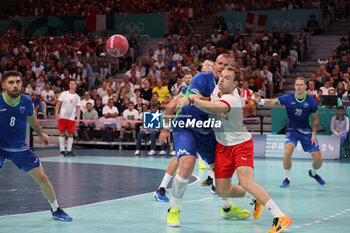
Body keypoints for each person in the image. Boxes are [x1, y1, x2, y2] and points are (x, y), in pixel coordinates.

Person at [178, 66, 293, 233]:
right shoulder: (219, 87)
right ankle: (257, 197)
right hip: (223, 147)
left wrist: (192, 100)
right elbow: (211, 100)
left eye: (227, 78)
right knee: (222, 190)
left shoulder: (232, 99)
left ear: (236, 84)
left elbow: (215, 108)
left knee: (246, 181)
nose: (222, 80)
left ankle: (280, 217)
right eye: (222, 76)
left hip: (241, 145)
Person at [160, 54, 251, 227]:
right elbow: (193, 99)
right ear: (215, 65)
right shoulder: (201, 79)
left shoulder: (229, 88)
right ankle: (173, 210)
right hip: (186, 128)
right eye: (219, 63)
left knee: (221, 171)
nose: (221, 67)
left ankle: (227, 208)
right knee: (186, 166)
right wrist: (165, 127)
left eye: (226, 66)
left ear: (230, 71)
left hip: (209, 131)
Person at [0, 71, 72, 221]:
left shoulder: (26, 101)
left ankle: (56, 209)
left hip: (19, 149)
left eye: (18, 82)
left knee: (43, 179)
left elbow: (31, 119)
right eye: (11, 82)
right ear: (4, 85)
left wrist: (40, 134)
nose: (15, 85)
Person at [255, 77, 326, 188]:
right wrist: (260, 101)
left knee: (319, 160)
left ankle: (313, 173)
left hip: (307, 132)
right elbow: (273, 102)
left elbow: (316, 119)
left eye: (301, 85)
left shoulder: (311, 101)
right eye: (297, 84)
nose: (298, 87)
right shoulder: (288, 98)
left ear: (305, 87)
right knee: (288, 152)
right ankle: (287, 178)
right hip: (292, 130)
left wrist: (313, 134)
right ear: (294, 86)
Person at [55, 80, 81, 157]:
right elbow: (58, 103)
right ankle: (62, 151)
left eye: (73, 84)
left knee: (70, 133)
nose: (72, 85)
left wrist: (78, 119)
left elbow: (78, 109)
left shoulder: (77, 97)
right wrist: (56, 113)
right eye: (71, 84)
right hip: (63, 116)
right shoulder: (64, 94)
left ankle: (69, 150)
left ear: (76, 86)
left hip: (71, 118)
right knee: (62, 132)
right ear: (69, 85)